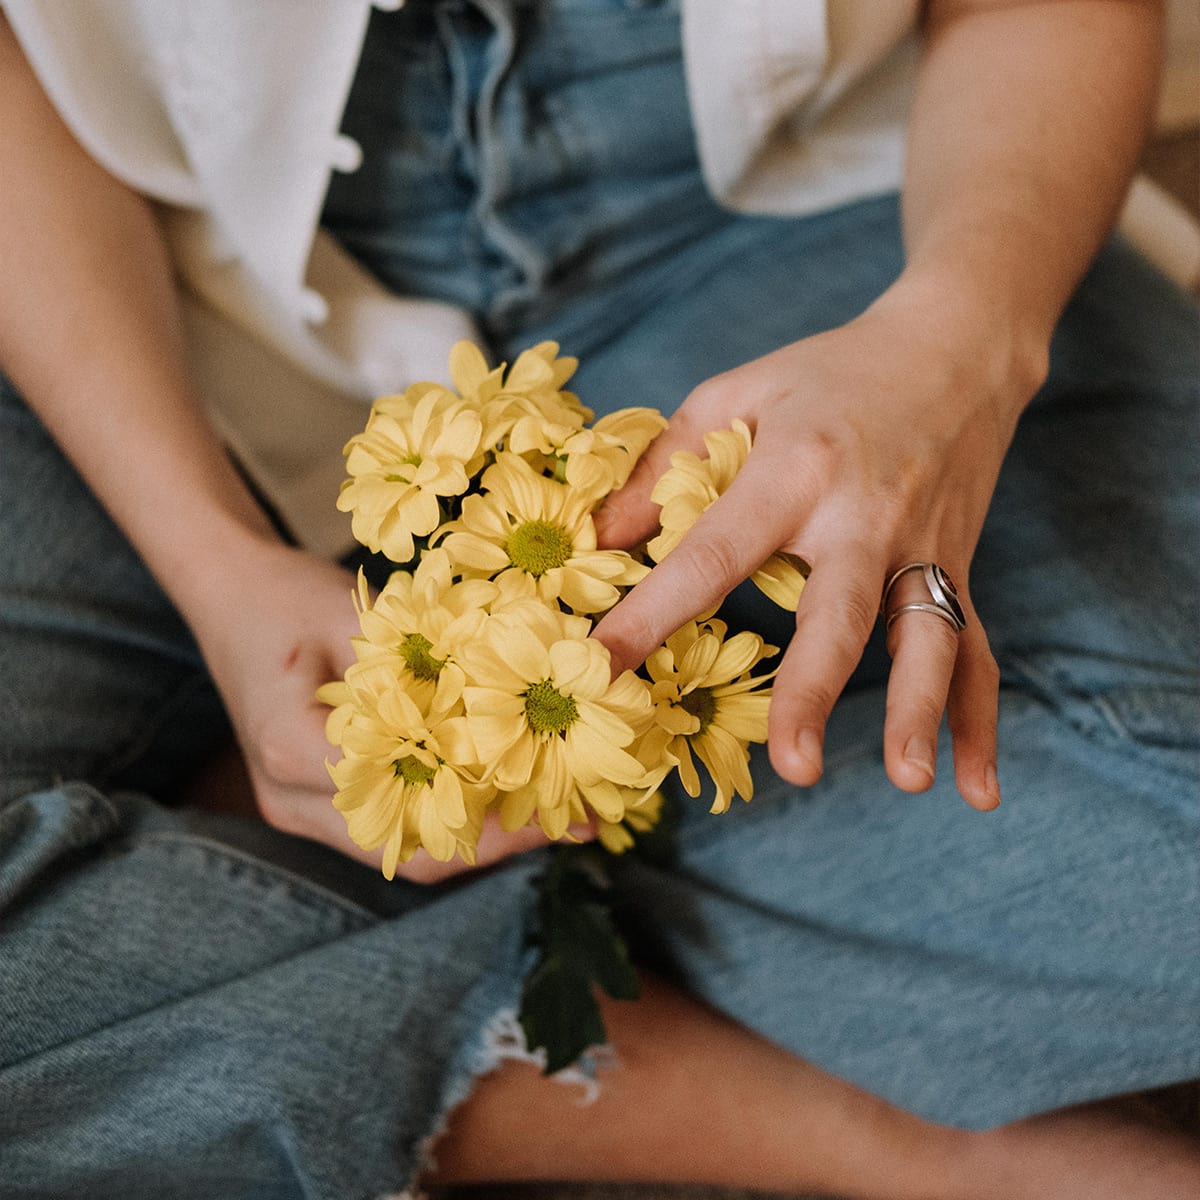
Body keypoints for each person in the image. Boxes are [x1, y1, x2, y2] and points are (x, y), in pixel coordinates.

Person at [1, 1, 1197, 1197]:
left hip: (801, 221)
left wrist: (961, 342)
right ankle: (863, 1137)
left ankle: (235, 917)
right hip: (130, 285)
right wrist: (212, 564)